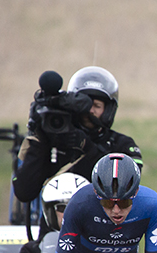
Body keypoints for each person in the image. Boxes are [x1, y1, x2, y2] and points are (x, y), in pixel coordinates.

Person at [12, 66, 143, 204]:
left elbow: (124, 187)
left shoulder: (122, 144)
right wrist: (40, 140)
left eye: (96, 106)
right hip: (55, 223)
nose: (90, 111)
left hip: (100, 223)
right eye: (84, 105)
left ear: (109, 110)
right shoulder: (52, 140)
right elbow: (24, 192)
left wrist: (87, 147)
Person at [4, 173, 90, 253]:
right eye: (62, 207)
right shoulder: (34, 250)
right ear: (49, 211)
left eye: (75, 206)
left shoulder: (103, 245)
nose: (69, 212)